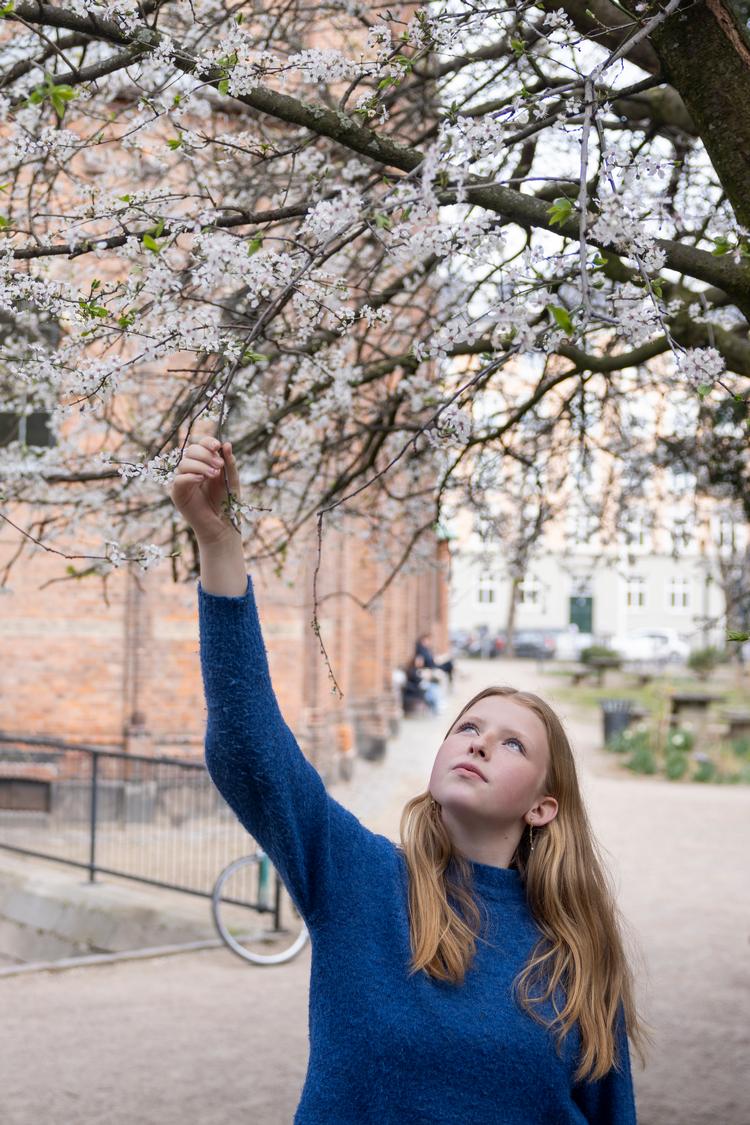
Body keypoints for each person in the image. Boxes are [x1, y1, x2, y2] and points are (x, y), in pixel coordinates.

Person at [170, 435, 646, 1125]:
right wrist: (219, 543)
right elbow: (249, 747)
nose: (479, 741)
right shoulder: (360, 880)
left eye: (511, 741)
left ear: (544, 806)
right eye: (467, 727)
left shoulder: (577, 954)